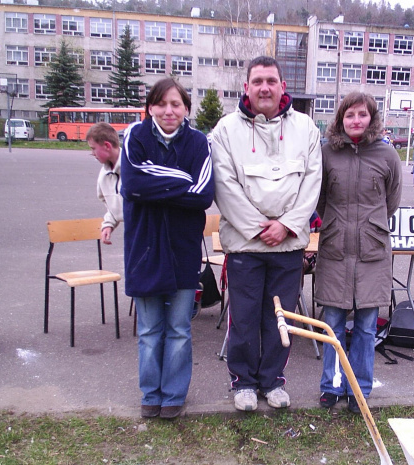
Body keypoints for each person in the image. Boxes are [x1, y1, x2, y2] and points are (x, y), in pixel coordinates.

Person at [210, 56, 322, 412]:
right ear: (246, 87)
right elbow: (224, 186)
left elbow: (312, 183)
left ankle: (272, 381)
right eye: (257, 81)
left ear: (282, 86)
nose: (264, 87)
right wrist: (261, 229)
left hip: (288, 247)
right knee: (243, 318)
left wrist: (287, 225)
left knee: (280, 319)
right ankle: (243, 382)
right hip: (246, 245)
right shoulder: (226, 130)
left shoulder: (306, 128)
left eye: (271, 80)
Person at [121, 78, 214, 419]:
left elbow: (203, 194)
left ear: (186, 108)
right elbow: (131, 185)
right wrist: (181, 179)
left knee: (178, 329)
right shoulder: (136, 136)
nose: (168, 111)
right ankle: (151, 393)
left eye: (176, 104)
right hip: (144, 250)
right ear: (150, 108)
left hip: (183, 250)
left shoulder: (198, 142)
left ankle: (173, 395)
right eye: (161, 104)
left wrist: (154, 185)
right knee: (148, 330)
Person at [314, 92, 402, 413]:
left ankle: (359, 389)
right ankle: (331, 385)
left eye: (362, 115)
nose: (356, 120)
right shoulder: (326, 153)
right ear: (341, 118)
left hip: (372, 253)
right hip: (336, 249)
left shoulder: (387, 155)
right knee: (333, 326)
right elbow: (320, 198)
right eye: (350, 115)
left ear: (371, 118)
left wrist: (369, 226)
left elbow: (391, 201)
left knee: (366, 327)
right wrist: (338, 223)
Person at [86, 122, 123, 245]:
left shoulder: (134, 167)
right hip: (132, 233)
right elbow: (113, 207)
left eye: (93, 148)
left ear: (107, 146)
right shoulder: (103, 175)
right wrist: (108, 224)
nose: (92, 153)